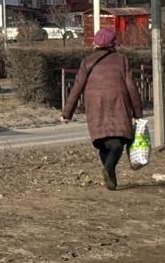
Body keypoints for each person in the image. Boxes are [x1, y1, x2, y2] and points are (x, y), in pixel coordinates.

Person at [61, 27, 143, 191]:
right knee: (117, 143)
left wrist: (67, 113)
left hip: (95, 105)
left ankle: (109, 171)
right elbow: (131, 87)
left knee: (103, 141)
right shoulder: (121, 59)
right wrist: (138, 113)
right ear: (113, 43)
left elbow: (77, 87)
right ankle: (108, 169)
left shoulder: (87, 61)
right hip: (118, 103)